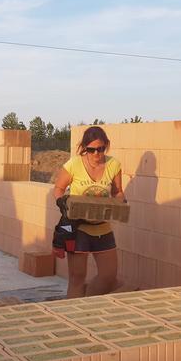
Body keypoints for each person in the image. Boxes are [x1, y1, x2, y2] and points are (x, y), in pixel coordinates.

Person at [53, 126, 125, 298]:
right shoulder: (74, 164)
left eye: (100, 149)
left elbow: (118, 191)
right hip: (78, 228)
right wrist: (63, 202)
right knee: (77, 278)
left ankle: (86, 302)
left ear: (106, 145)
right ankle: (74, 311)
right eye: (91, 150)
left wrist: (120, 201)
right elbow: (58, 188)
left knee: (108, 276)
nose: (96, 154)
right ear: (85, 148)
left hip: (103, 227)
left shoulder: (113, 165)